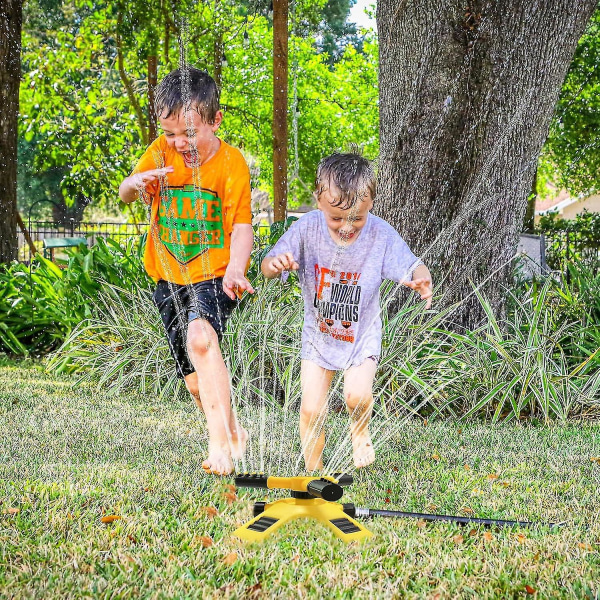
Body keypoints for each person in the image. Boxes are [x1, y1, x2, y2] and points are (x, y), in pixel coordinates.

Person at [119, 67, 253, 475]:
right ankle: (233, 432)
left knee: (201, 339)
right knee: (195, 379)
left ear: (215, 120)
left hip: (213, 275)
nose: (179, 143)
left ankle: (219, 449)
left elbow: (242, 226)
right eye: (171, 132)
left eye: (189, 134)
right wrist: (135, 183)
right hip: (167, 277)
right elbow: (126, 194)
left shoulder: (231, 165)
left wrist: (236, 269)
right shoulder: (160, 152)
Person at [261, 152, 433, 471]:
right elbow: (268, 266)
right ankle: (314, 472)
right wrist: (276, 264)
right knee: (311, 410)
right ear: (319, 201)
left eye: (357, 218)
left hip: (361, 336)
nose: (346, 227)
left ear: (371, 204)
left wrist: (422, 277)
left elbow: (412, 264)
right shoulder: (307, 228)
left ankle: (359, 431)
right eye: (337, 218)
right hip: (318, 338)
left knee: (356, 395)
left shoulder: (380, 234)